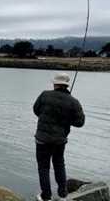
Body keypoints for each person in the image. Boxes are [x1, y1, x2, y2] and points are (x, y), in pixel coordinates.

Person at [33, 72, 85, 201]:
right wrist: (67, 119)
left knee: (43, 167)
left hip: (42, 139)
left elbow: (36, 110)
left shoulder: (44, 95)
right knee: (59, 165)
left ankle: (46, 197)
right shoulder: (73, 101)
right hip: (59, 140)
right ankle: (63, 195)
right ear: (66, 85)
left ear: (55, 83)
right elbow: (80, 122)